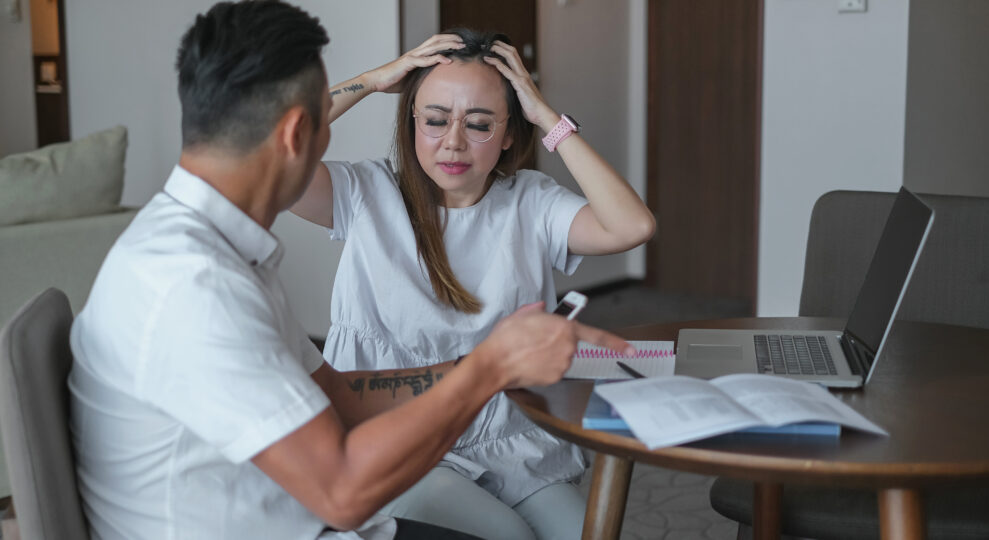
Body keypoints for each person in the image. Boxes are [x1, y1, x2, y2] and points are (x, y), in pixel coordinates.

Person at [67, 3, 633, 539]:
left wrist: (479, 364)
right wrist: (488, 368)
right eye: (323, 120)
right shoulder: (198, 285)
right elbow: (342, 494)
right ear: (297, 135)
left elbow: (336, 392)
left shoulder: (206, 252)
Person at [290, 29, 656, 539]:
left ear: (509, 133)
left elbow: (632, 226)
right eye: (435, 120)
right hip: (402, 437)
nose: (453, 142)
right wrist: (372, 82)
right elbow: (272, 155)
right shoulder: (363, 193)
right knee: (508, 537)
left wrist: (546, 116)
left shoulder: (531, 200)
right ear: (412, 122)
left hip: (506, 439)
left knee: (590, 534)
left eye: (479, 124)